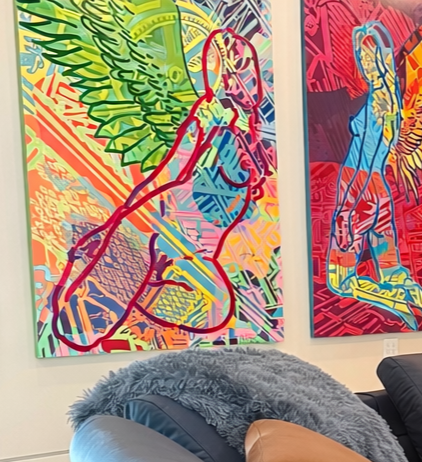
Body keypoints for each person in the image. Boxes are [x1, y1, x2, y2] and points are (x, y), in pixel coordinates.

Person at [52, 29, 272, 351]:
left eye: (241, 65)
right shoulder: (208, 118)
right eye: (228, 65)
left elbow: (246, 190)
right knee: (92, 307)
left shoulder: (252, 135)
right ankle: (98, 299)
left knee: (219, 308)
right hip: (164, 219)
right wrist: (211, 127)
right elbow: (174, 169)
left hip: (198, 243)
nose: (237, 76)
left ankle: (133, 289)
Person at [326, 22, 422, 330]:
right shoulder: (392, 102)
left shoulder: (376, 104)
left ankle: (394, 301)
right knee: (390, 266)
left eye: (369, 56)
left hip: (357, 183)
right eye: (362, 56)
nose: (364, 63)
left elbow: (365, 155)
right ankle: (405, 295)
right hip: (377, 186)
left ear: (381, 58)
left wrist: (346, 207)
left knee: (339, 280)